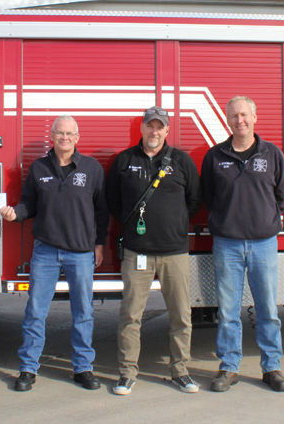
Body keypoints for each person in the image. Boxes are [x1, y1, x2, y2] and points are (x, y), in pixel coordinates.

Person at [0, 115, 109, 392]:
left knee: (83, 311)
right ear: (52, 136)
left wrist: (99, 243)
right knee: (36, 310)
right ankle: (27, 368)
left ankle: (83, 368)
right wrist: (15, 214)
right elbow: (28, 205)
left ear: (77, 138)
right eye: (59, 133)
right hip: (46, 251)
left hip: (81, 252)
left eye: (69, 133)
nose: (64, 138)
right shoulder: (39, 168)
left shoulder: (92, 169)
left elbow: (101, 210)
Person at [106, 106, 202, 395]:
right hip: (138, 253)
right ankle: (127, 373)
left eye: (160, 127)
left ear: (167, 130)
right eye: (150, 125)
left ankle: (180, 371)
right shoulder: (124, 161)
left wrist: (172, 224)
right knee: (131, 315)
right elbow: (113, 201)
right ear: (142, 128)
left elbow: (194, 201)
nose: (154, 131)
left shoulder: (182, 161)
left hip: (175, 252)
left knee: (180, 315)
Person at [200, 96, 284, 393]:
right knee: (227, 311)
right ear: (227, 120)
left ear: (255, 117)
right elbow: (209, 197)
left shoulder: (272, 154)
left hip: (264, 243)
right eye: (234, 116)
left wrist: (265, 220)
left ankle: (272, 367)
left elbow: (282, 194)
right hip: (227, 244)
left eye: (244, 115)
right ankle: (229, 367)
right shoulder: (215, 156)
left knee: (267, 310)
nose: (239, 120)